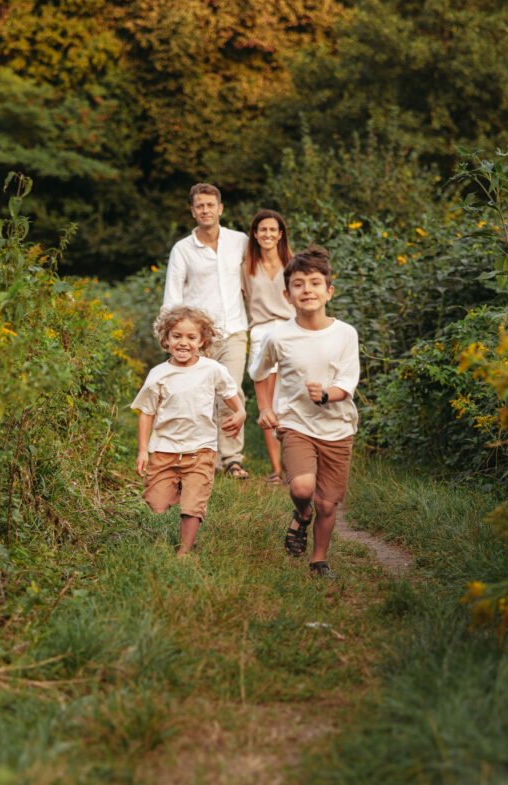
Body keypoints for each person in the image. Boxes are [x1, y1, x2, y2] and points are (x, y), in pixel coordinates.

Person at [251, 246, 359, 579]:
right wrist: (265, 407)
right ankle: (302, 513)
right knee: (301, 488)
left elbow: (347, 383)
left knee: (327, 503)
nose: (307, 290)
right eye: (298, 284)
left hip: (338, 428)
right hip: (296, 423)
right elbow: (259, 373)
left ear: (329, 291)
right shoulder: (279, 336)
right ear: (287, 295)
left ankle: (318, 561)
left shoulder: (345, 334)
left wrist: (326, 394)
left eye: (315, 283)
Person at [132, 306, 246, 555]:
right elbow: (146, 412)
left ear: (202, 341)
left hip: (200, 450)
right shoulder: (158, 375)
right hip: (165, 450)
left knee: (192, 506)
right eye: (177, 336)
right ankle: (180, 488)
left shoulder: (212, 369)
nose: (183, 342)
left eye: (191, 337)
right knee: (156, 504)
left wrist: (240, 412)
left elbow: (230, 393)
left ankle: (184, 551)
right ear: (166, 338)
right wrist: (142, 451)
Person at [163, 183, 251, 479]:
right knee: (201, 396)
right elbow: (172, 296)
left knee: (231, 391)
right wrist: (172, 336)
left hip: (234, 330)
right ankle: (206, 457)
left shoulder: (239, 241)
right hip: (198, 337)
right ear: (192, 211)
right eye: (199, 206)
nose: (205, 210)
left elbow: (260, 271)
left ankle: (233, 458)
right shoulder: (183, 249)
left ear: (220, 208)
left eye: (210, 205)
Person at [242, 209, 296, 485]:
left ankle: (295, 465)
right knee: (267, 404)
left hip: (290, 331)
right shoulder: (247, 267)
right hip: (261, 333)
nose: (267, 234)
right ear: (254, 234)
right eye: (262, 229)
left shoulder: (292, 264)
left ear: (280, 234)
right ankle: (276, 469)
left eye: (273, 229)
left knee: (290, 400)